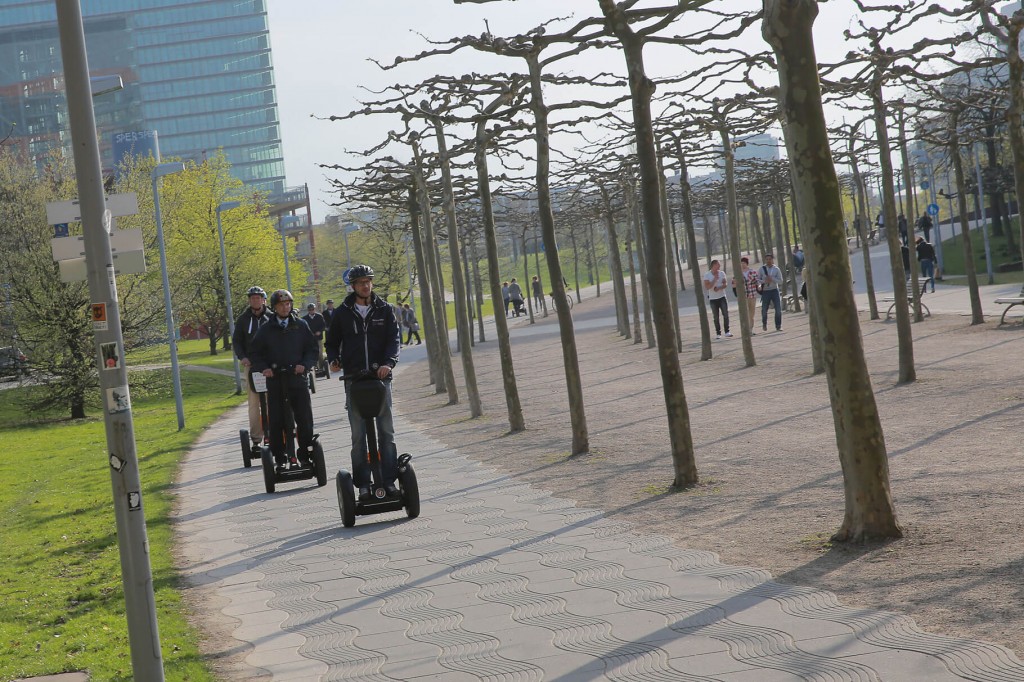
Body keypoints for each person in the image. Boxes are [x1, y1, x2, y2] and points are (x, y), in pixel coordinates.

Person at [325, 264, 402, 502]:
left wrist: (388, 363)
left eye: (368, 281)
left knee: (386, 432)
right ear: (353, 286)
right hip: (354, 379)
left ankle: (389, 481)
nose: (365, 285)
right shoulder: (342, 313)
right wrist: (334, 360)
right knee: (358, 435)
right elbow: (331, 342)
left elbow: (394, 339)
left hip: (381, 378)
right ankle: (364, 485)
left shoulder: (385, 310)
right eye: (360, 282)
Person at [247, 289, 318, 473]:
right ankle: (280, 457)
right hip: (276, 380)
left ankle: (305, 454)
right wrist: (265, 368)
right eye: (281, 305)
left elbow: (312, 350)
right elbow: (255, 353)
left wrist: (305, 365)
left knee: (304, 418)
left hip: (297, 379)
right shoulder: (266, 329)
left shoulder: (300, 326)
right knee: (276, 421)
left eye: (288, 304)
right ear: (274, 307)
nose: (285, 308)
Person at [232, 286, 274, 449]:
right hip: (252, 367)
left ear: (264, 300)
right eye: (252, 298)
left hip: (271, 366)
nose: (255, 300)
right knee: (254, 403)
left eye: (258, 298)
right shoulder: (243, 319)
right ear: (249, 301)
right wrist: (243, 357)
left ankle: (275, 433)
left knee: (273, 401)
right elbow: (237, 341)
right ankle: (257, 438)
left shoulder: (272, 317)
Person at [702, 259, 731, 339]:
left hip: (722, 297)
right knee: (716, 317)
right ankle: (718, 333)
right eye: (718, 264)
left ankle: (727, 331)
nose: (719, 266)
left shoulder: (722, 273)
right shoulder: (707, 275)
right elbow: (707, 287)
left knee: (725, 314)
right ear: (713, 265)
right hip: (713, 299)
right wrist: (714, 279)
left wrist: (719, 287)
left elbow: (725, 284)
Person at [758, 253, 784, 332]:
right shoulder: (761, 269)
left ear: (772, 260)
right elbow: (757, 280)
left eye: (770, 259)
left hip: (774, 290)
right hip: (766, 291)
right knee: (764, 309)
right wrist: (764, 281)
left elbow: (781, 281)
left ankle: (778, 326)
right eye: (767, 259)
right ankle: (764, 324)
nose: (768, 261)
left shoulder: (776, 269)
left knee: (778, 309)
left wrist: (772, 279)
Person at [734, 256, 759, 335]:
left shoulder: (753, 272)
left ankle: (750, 329)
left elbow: (757, 281)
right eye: (741, 263)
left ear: (747, 263)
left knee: (751, 313)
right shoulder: (738, 273)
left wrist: (759, 286)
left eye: (744, 263)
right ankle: (746, 330)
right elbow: (734, 284)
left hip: (752, 295)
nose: (742, 264)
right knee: (746, 313)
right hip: (744, 296)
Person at [302, 303, 327, 370]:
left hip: (318, 338)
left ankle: (321, 367)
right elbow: (303, 329)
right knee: (311, 353)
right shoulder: (304, 319)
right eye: (310, 310)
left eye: (312, 309)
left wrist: (319, 331)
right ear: (308, 310)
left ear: (315, 309)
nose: (311, 311)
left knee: (319, 353)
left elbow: (323, 325)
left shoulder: (319, 316)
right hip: (310, 339)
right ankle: (314, 367)